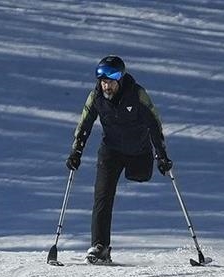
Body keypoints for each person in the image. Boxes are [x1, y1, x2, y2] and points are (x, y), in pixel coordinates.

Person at [64, 55, 172, 265]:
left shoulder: (137, 94)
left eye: (111, 81)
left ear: (120, 79)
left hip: (139, 150)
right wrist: (76, 151)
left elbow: (154, 124)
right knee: (102, 196)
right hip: (111, 150)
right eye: (103, 81)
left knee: (140, 176)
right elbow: (84, 124)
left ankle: (101, 246)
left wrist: (161, 155)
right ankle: (100, 246)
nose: (107, 86)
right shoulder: (96, 96)